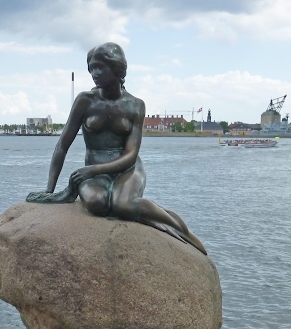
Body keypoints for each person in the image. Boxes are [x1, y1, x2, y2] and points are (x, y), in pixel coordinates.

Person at [27, 42, 206, 255]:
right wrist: (49, 189)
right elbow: (61, 146)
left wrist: (91, 170)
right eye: (91, 68)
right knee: (97, 203)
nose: (94, 73)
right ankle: (146, 210)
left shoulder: (135, 105)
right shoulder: (85, 101)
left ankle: (179, 229)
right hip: (95, 170)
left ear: (117, 68)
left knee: (123, 204)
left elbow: (131, 154)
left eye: (100, 67)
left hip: (127, 168)